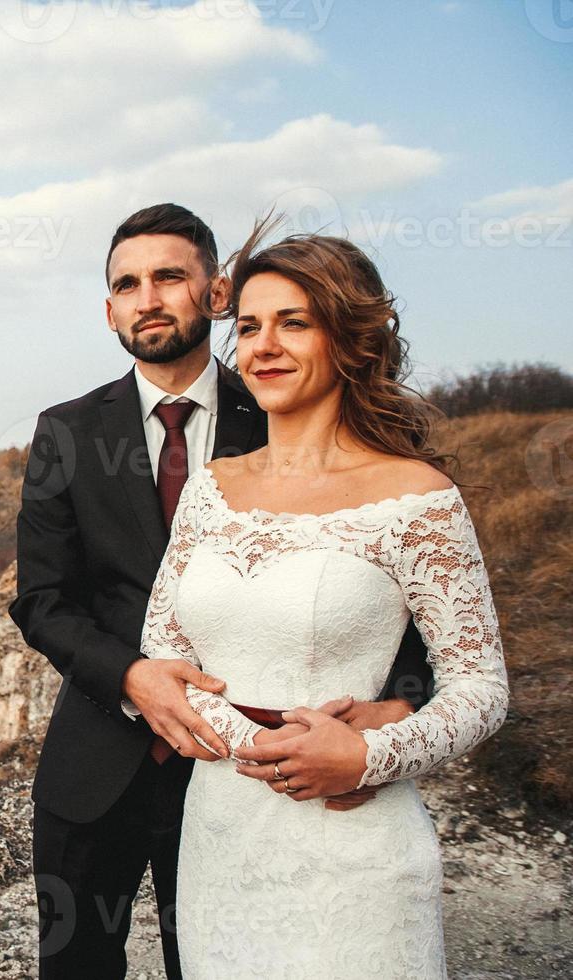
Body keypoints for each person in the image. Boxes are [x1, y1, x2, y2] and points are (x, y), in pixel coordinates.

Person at [8, 203, 435, 980]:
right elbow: (41, 601)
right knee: (75, 968)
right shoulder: (65, 432)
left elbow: (395, 603)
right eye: (127, 284)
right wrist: (133, 677)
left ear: (216, 292)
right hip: (95, 763)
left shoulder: (284, 408)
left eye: (169, 276)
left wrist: (396, 709)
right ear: (109, 309)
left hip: (246, 779)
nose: (148, 298)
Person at [139, 215, 511, 977]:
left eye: (293, 323)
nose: (263, 346)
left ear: (348, 340)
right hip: (220, 836)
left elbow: (481, 687)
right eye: (247, 327)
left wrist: (370, 753)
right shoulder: (211, 491)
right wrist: (261, 749)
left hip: (354, 845)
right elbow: (166, 652)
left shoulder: (418, 498)